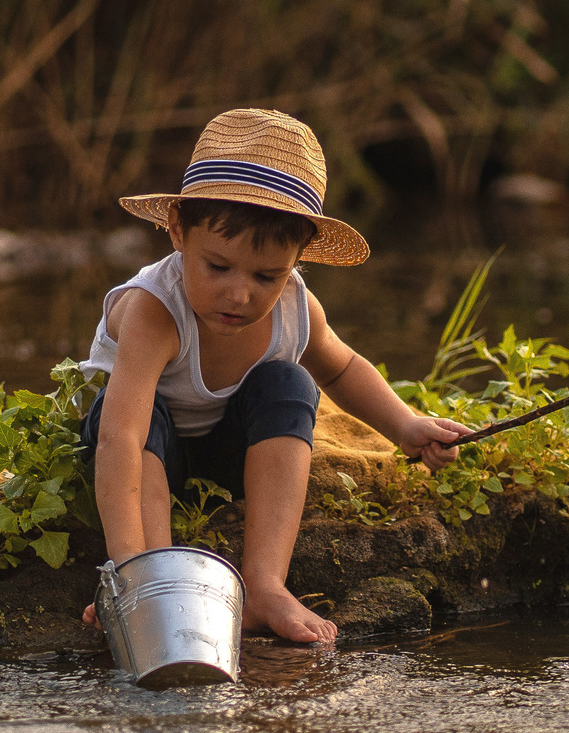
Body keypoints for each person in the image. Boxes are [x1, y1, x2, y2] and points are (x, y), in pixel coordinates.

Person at [79, 107, 468, 643]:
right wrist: (126, 567)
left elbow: (343, 367)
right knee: (142, 418)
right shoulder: (154, 311)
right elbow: (120, 437)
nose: (240, 294)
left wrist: (404, 427)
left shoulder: (294, 306)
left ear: (298, 258)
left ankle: (264, 585)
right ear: (177, 232)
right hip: (142, 450)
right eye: (218, 267)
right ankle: (155, 577)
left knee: (289, 384)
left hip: (226, 451)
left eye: (267, 275)